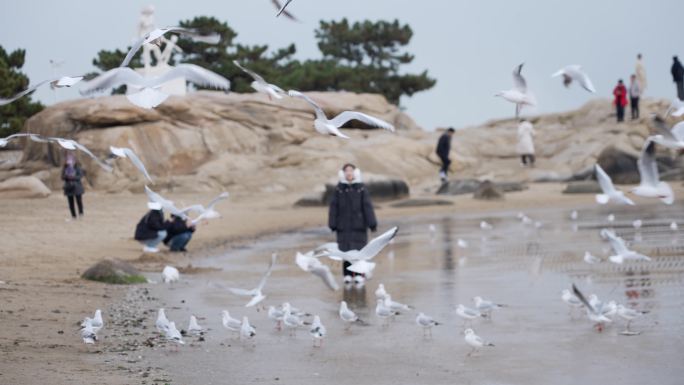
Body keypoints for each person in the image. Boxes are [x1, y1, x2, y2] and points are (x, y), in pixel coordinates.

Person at [328, 164, 377, 285]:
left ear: (355, 173)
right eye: (346, 171)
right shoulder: (339, 189)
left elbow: (367, 207)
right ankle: (347, 275)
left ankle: (360, 275)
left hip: (359, 227)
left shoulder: (361, 189)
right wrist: (332, 223)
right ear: (343, 173)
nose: (349, 173)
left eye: (351, 171)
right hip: (343, 227)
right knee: (345, 253)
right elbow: (333, 208)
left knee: (359, 253)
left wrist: (372, 223)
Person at [62, 153, 85, 220]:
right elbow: (62, 177)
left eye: (71, 160)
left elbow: (80, 176)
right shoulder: (65, 168)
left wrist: (73, 177)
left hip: (77, 187)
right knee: (70, 202)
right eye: (68, 160)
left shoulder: (77, 168)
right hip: (69, 187)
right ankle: (73, 216)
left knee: (79, 201)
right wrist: (67, 176)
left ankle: (81, 214)